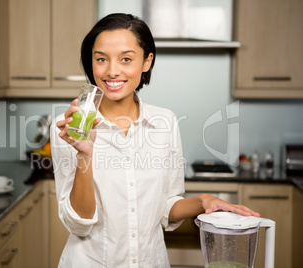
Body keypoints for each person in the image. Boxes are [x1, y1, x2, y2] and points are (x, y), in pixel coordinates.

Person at [50, 13, 259, 267]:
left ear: (147, 61)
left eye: (126, 59)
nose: (112, 71)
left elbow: (167, 206)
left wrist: (203, 199)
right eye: (101, 59)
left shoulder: (165, 122)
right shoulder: (71, 127)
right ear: (91, 62)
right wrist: (85, 154)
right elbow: (79, 224)